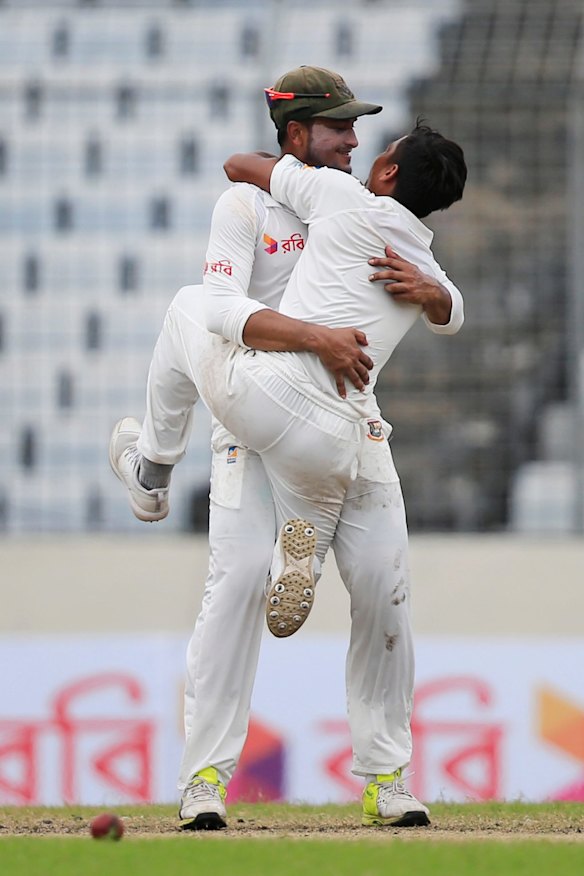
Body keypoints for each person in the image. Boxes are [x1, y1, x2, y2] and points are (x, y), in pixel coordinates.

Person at [109, 66, 464, 830]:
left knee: (384, 585)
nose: (354, 140)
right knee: (237, 582)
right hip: (254, 407)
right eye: (338, 127)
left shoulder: (360, 205)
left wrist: (437, 295)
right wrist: (315, 337)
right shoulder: (246, 205)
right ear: (297, 134)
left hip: (351, 420)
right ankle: (205, 780)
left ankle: (386, 779)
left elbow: (444, 293)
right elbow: (223, 308)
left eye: (359, 128)